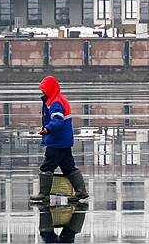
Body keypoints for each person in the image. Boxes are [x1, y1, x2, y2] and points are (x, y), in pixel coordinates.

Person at [30, 75, 88, 203]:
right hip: (63, 141)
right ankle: (81, 192)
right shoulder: (57, 99)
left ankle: (44, 194)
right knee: (69, 167)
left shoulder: (55, 102)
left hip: (57, 141)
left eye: (44, 89)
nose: (42, 91)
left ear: (49, 89)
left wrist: (48, 129)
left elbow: (58, 120)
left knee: (46, 167)